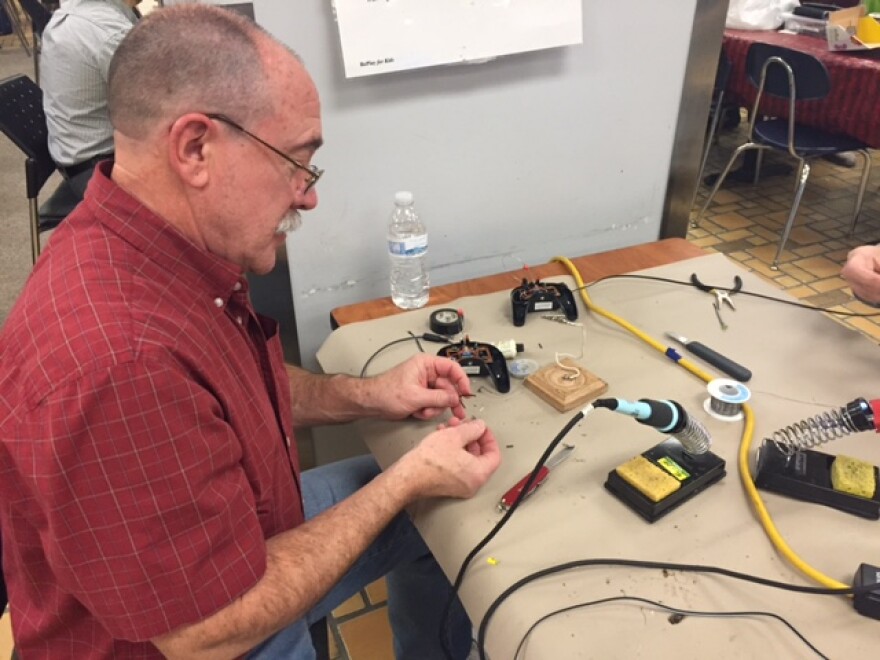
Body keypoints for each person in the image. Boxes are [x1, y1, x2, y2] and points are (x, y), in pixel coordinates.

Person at [0, 5, 501, 659]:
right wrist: (403, 481)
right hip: (202, 632)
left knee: (444, 511)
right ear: (195, 149)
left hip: (234, 535)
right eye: (296, 162)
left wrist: (367, 395)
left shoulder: (152, 246)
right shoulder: (122, 360)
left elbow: (225, 387)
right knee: (417, 490)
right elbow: (209, 630)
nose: (308, 195)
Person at [40, 0, 141, 198]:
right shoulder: (110, 32)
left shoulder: (75, 11)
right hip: (99, 169)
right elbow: (164, 101)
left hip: (75, 160)